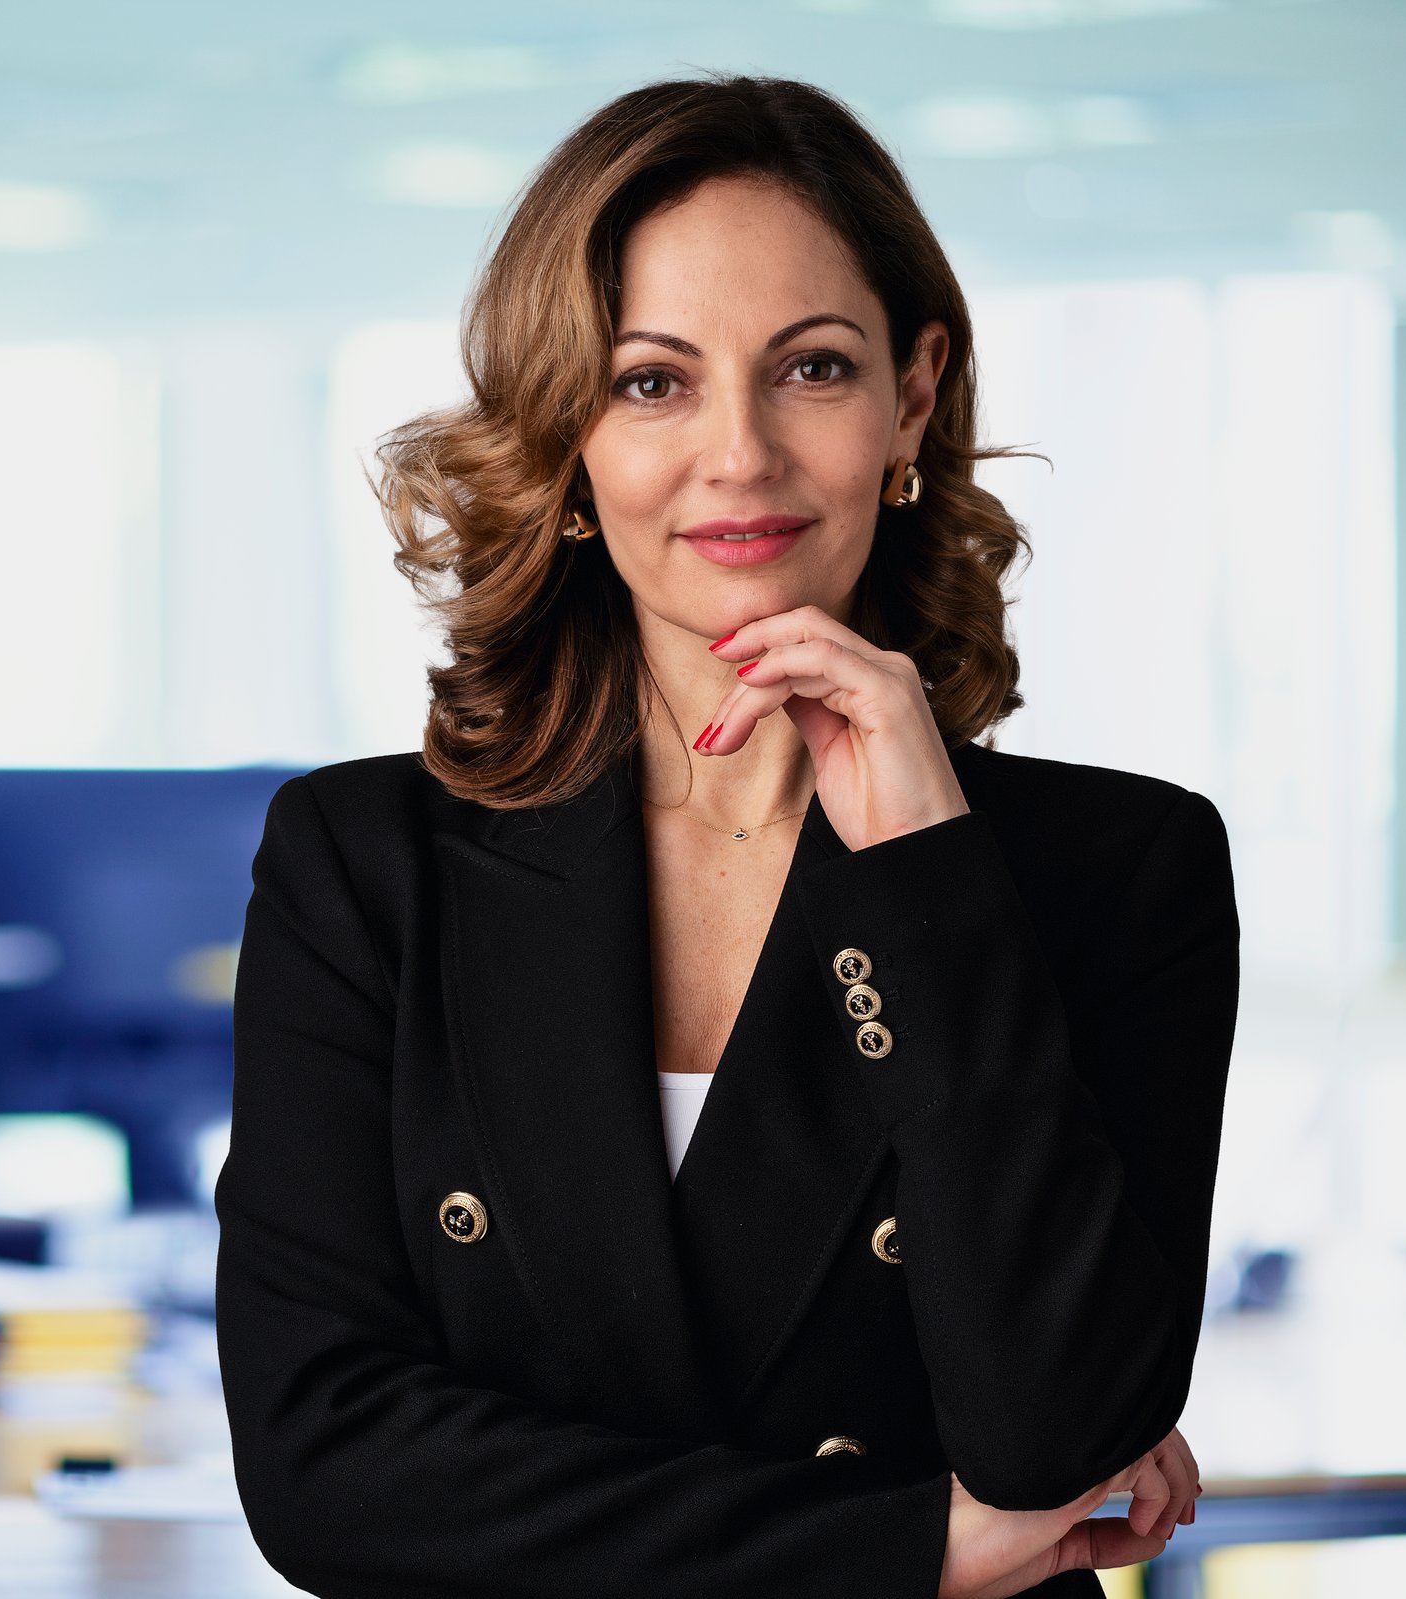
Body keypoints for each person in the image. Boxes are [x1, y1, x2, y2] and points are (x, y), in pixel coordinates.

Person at [214, 72, 1238, 1599]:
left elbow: (1054, 1439)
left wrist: (924, 874)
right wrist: (896, 1551)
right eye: (652, 382)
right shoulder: (363, 865)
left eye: (813, 368)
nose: (741, 454)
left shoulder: (1121, 870)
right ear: (568, 439)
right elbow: (324, 1472)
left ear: (915, 392)